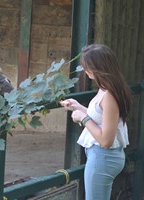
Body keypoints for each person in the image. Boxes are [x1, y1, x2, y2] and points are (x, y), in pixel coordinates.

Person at [60, 44, 131, 200]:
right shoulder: (105, 88)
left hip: (103, 156)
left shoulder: (109, 96)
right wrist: (78, 107)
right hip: (104, 156)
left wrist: (83, 119)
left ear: (97, 68)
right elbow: (102, 118)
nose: (85, 71)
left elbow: (106, 140)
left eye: (87, 67)